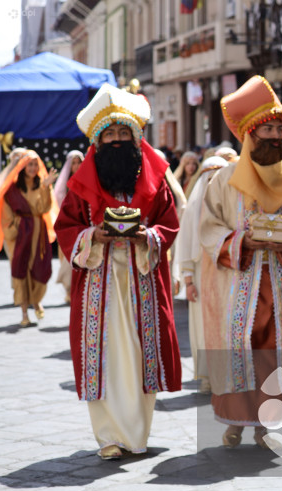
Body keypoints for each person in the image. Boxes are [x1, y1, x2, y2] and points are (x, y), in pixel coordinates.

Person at [53, 84, 182, 460]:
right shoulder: (80, 188)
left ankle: (138, 434)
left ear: (136, 138)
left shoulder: (155, 183)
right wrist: (94, 235)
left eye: (124, 133)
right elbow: (66, 229)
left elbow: (169, 223)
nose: (117, 140)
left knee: (142, 353)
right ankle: (108, 436)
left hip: (143, 281)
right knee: (104, 354)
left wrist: (149, 235)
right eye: (109, 134)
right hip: (99, 284)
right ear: (97, 140)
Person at [200, 75, 282, 448]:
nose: (272, 135)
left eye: (276, 129)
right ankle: (235, 421)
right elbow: (208, 227)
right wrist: (239, 240)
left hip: (280, 282)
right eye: (265, 128)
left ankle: (266, 426)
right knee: (239, 348)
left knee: (274, 353)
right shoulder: (223, 180)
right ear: (249, 135)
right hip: (239, 283)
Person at [173, 156, 228, 394]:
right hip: (200, 275)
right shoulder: (193, 208)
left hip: (227, 276)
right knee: (203, 327)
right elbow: (186, 244)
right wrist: (188, 280)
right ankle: (208, 378)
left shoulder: (231, 206)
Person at [0, 151, 58, 327]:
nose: (32, 168)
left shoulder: (42, 185)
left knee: (41, 269)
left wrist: (46, 188)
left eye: (35, 164)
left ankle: (36, 299)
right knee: (20, 271)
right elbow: (6, 216)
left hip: (38, 234)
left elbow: (45, 208)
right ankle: (24, 312)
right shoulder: (13, 189)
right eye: (29, 164)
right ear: (23, 167)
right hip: (20, 236)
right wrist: (14, 233)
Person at [52, 149, 84, 302]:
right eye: (74, 163)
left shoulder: (86, 181)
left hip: (82, 226)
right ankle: (68, 289)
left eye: (79, 162)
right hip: (67, 226)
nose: (76, 166)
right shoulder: (65, 185)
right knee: (65, 257)